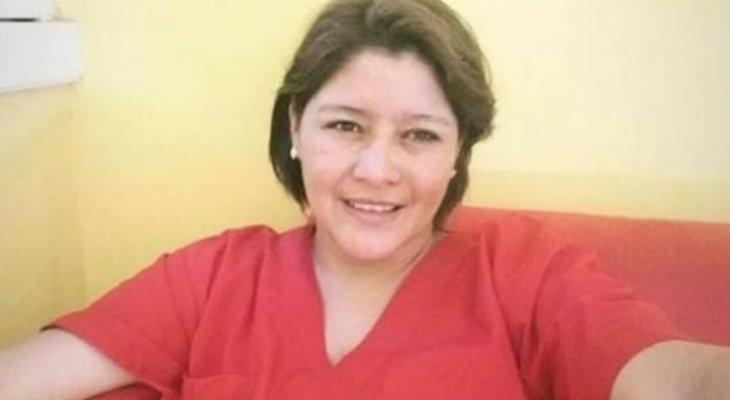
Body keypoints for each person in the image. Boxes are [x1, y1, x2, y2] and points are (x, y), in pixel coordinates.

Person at [1, 0, 729, 398]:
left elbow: (675, 378)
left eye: (419, 136)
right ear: (295, 128)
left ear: (458, 153)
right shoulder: (214, 276)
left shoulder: (524, 273)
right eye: (345, 126)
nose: (377, 169)